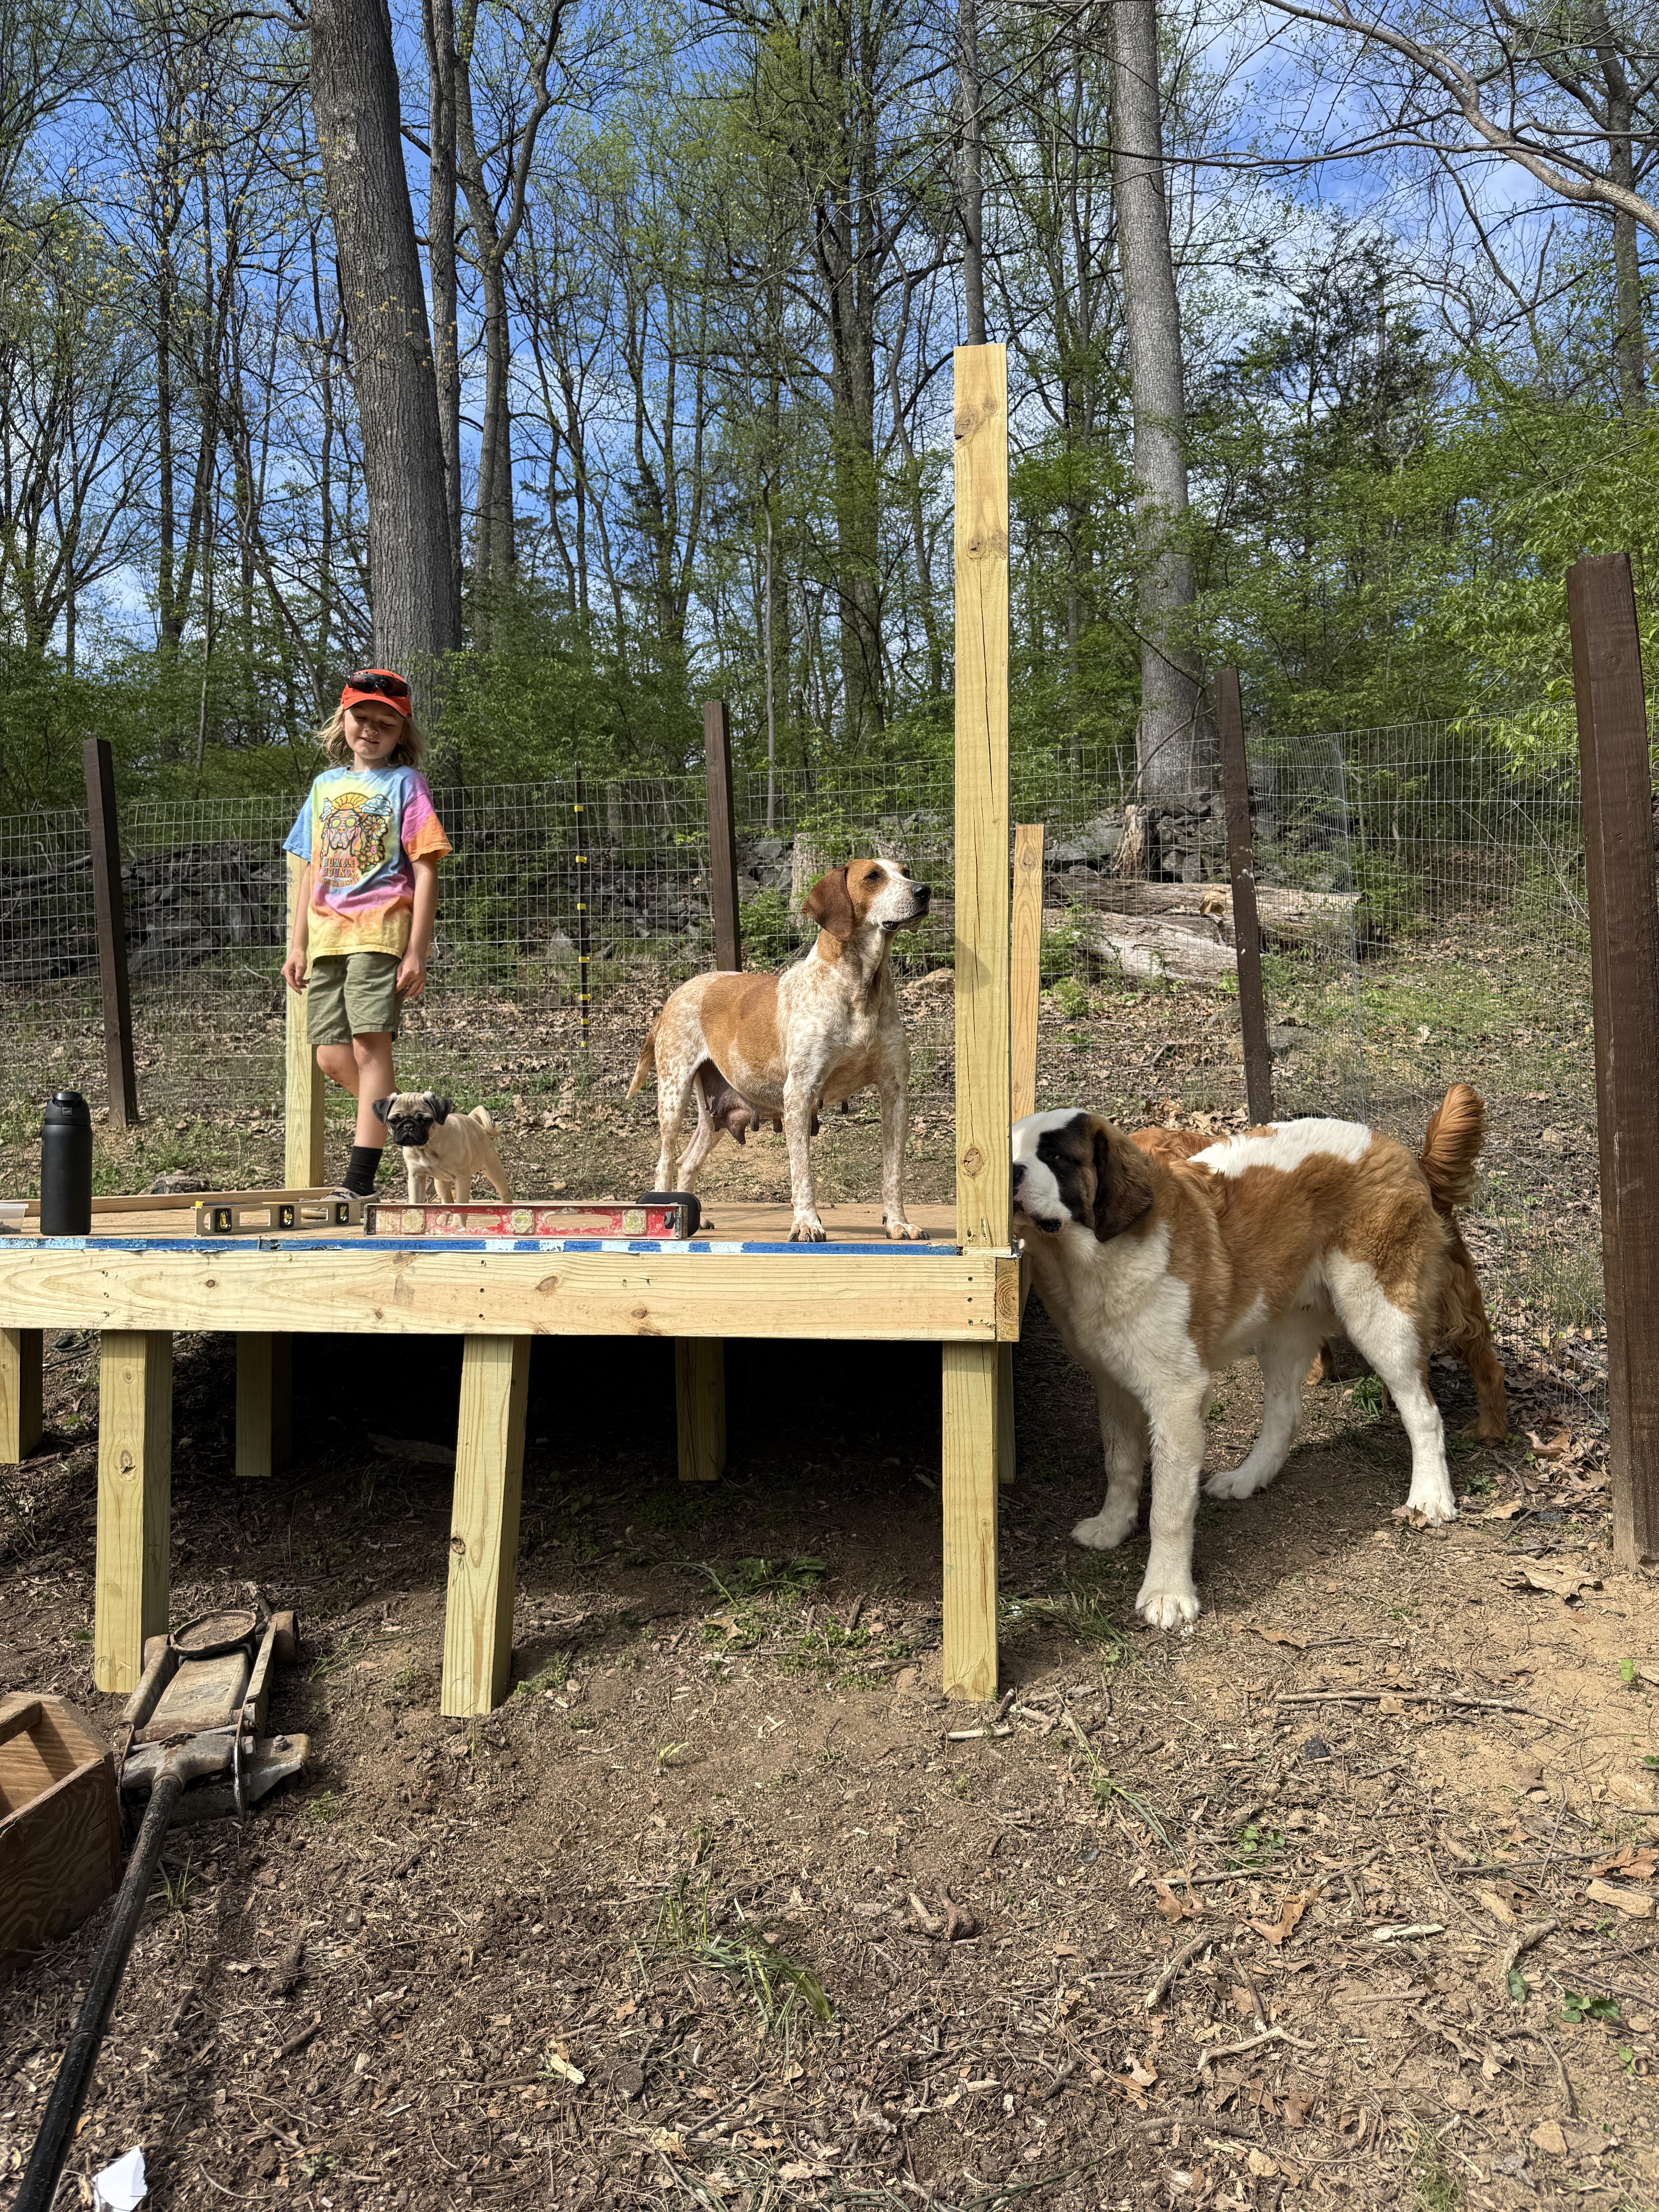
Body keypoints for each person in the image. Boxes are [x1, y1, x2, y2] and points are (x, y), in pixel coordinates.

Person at [281, 670, 451, 1197]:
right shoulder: (324, 787)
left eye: (386, 724)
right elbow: (311, 869)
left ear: (402, 734)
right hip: (326, 937)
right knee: (330, 1058)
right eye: (362, 718)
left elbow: (426, 868)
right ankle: (413, 1119)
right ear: (343, 720)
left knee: (369, 1050)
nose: (371, 731)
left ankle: (360, 1183)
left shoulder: (406, 785)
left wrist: (417, 950)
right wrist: (298, 943)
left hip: (379, 932)